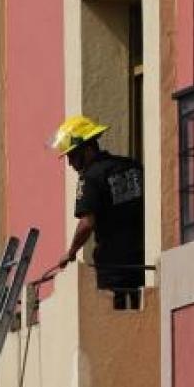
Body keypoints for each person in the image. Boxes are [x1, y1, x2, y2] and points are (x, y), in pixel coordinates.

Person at [51, 114, 145, 309]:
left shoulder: (90, 178)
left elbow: (87, 223)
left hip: (113, 269)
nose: (70, 163)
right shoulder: (132, 166)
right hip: (141, 261)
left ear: (87, 149)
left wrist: (71, 252)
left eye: (72, 156)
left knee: (115, 323)